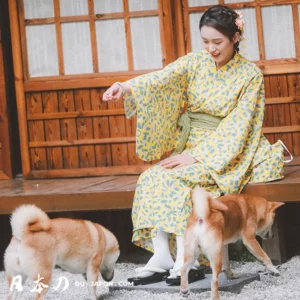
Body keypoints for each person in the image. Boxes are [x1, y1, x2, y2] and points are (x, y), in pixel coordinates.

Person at [102, 5, 292, 285]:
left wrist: (198, 156)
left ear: (235, 38)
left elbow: (239, 126)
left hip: (226, 151)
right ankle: (163, 254)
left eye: (217, 42)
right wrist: (126, 86)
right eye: (205, 41)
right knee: (152, 176)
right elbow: (162, 79)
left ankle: (186, 260)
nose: (211, 49)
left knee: (179, 182)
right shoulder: (194, 62)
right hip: (192, 144)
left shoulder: (249, 76)